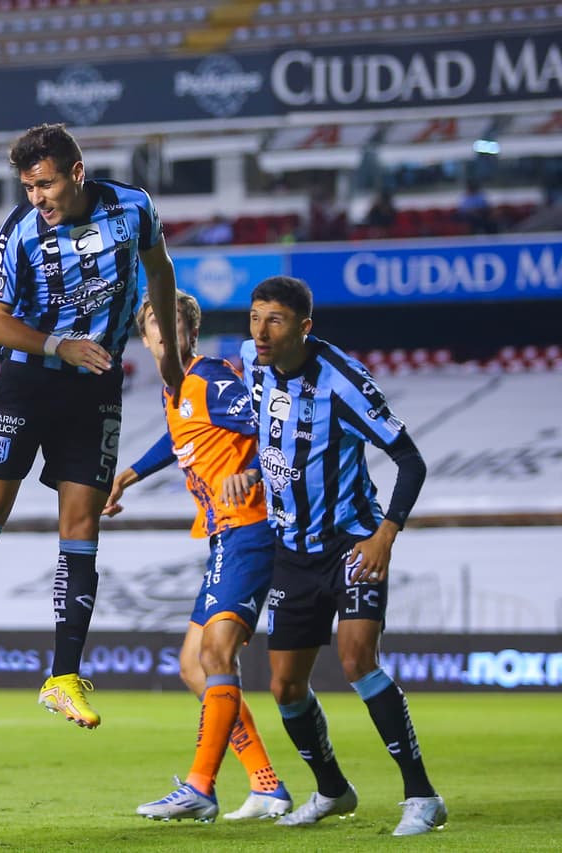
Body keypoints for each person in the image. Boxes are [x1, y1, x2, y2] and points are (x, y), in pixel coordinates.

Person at [0, 123, 184, 729]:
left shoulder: (133, 208)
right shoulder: (18, 233)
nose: (37, 197)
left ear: (77, 172)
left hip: (96, 391)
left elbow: (160, 272)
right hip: (27, 383)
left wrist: (165, 351)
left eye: (45, 183)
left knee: (83, 526)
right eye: (28, 186)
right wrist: (59, 345)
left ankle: (63, 677)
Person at [242, 275, 446, 836]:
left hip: (350, 544)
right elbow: (261, 431)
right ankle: (333, 789)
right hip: (291, 549)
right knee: (283, 685)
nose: (261, 331)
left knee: (357, 659)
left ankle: (422, 796)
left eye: (275, 320)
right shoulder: (251, 362)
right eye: (255, 317)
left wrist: (385, 534)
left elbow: (411, 460)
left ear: (304, 327)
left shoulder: (344, 383)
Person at [104, 291, 291, 822]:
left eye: (173, 326)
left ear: (189, 332)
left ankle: (200, 787)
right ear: (145, 341)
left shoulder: (211, 378)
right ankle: (267, 786)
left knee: (214, 656)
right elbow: (179, 435)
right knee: (193, 666)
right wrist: (131, 473)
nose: (164, 336)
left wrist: (252, 472)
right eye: (155, 330)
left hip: (251, 527)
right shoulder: (176, 389)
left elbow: (271, 430)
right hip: (221, 536)